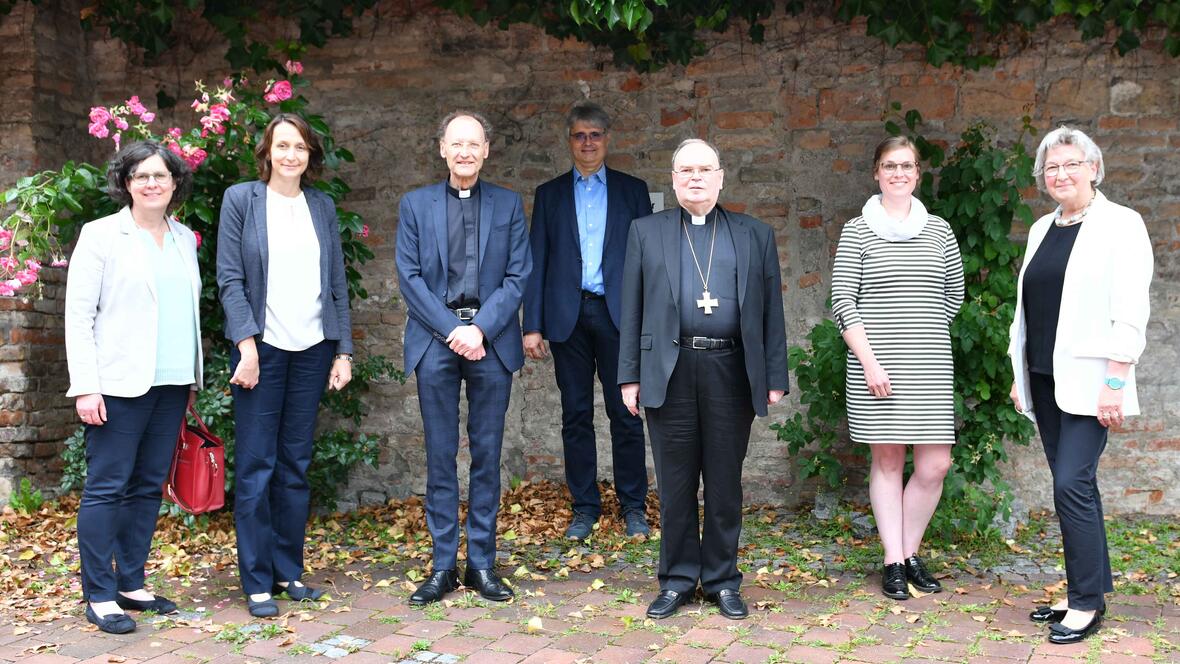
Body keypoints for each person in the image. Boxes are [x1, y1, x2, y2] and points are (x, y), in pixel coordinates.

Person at [618, 138, 788, 620]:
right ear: (673, 180)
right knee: (674, 485)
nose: (696, 177)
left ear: (720, 177)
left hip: (730, 369)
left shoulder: (755, 234)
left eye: (705, 169)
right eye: (686, 170)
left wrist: (774, 374)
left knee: (724, 483)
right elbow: (630, 309)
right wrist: (629, 375)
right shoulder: (646, 232)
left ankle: (721, 580)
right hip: (668, 371)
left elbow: (771, 310)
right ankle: (676, 580)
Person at [1009, 126, 1152, 645]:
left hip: (1094, 382)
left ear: (1093, 168)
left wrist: (1115, 380)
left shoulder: (1121, 224)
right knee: (1076, 487)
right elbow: (1029, 309)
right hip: (1045, 378)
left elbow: (1130, 310)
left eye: (1071, 164)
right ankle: (1084, 591)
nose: (1061, 174)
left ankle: (1087, 604)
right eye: (1051, 167)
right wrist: (1018, 374)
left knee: (1071, 483)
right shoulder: (1041, 228)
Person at [216, 113, 354, 618]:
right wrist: (247, 347)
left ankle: (287, 571)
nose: (291, 155)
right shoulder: (241, 200)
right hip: (263, 350)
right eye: (282, 146)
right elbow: (230, 279)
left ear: (310, 154)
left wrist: (343, 351)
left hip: (313, 349)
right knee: (257, 466)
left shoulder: (321, 206)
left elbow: (336, 283)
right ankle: (256, 581)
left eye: (299, 146)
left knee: (295, 465)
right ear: (267, 152)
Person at [65, 141, 202, 634]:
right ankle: (100, 594)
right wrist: (87, 386)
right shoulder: (101, 235)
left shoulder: (184, 238)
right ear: (126, 183)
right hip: (118, 384)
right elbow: (79, 315)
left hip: (172, 383)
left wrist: (191, 378)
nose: (151, 183)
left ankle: (131, 582)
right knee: (107, 487)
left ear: (174, 182)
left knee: (147, 487)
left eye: (160, 175)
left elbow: (185, 311)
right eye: (140, 176)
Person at [396, 111, 532, 605]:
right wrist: (454, 330)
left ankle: (481, 564)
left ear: (486, 150)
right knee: (439, 455)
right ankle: (442, 566)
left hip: (491, 340)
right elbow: (410, 277)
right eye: (457, 143)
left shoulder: (508, 204)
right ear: (442, 149)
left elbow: (518, 275)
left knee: (487, 455)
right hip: (436, 340)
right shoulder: (415, 205)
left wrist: (480, 329)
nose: (465, 152)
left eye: (474, 144)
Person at [830, 136, 965, 601]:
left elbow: (953, 295)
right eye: (890, 165)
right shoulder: (857, 231)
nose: (898, 173)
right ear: (876, 172)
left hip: (929, 366)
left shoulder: (940, 230)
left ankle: (910, 553)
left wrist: (919, 335)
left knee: (935, 463)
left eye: (907, 166)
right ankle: (894, 560)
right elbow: (843, 301)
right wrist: (871, 361)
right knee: (887, 460)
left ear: (918, 173)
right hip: (875, 365)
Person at [522, 102, 652, 540]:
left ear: (607, 139)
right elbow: (537, 260)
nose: (588, 142)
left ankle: (633, 507)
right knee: (575, 415)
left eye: (595, 135)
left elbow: (647, 261)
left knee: (626, 413)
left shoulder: (633, 191)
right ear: (569, 141)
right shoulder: (550, 194)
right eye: (580, 135)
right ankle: (584, 508)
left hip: (619, 317)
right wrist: (532, 324)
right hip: (568, 316)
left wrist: (647, 320)